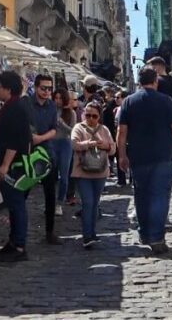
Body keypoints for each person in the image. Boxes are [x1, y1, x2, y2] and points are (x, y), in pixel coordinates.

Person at [116, 67, 172, 254]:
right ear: (156, 80)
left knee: (141, 195)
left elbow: (121, 132)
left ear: (139, 82)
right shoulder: (166, 101)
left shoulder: (129, 102)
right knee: (159, 196)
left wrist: (122, 155)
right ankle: (156, 237)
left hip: (138, 156)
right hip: (162, 155)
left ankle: (144, 233)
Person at [0, 70, 33, 263]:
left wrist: (5, 165)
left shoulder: (15, 107)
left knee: (16, 205)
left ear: (7, 88)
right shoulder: (13, 106)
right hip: (12, 163)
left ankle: (19, 245)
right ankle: (13, 242)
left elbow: (14, 140)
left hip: (13, 165)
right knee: (13, 205)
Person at [22, 74, 61, 245]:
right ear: (36, 88)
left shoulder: (52, 106)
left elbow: (54, 129)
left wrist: (41, 138)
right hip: (28, 154)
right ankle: (17, 234)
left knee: (50, 194)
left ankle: (50, 232)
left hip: (47, 153)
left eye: (49, 89)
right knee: (22, 194)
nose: (47, 92)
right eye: (44, 88)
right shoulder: (26, 103)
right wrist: (31, 137)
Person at [71, 101, 115, 247]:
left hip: (100, 172)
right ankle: (87, 236)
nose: (90, 118)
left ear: (99, 116)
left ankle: (92, 233)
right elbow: (74, 144)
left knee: (95, 204)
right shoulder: (78, 127)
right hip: (82, 172)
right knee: (88, 203)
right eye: (87, 115)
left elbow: (113, 148)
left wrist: (106, 145)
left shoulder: (104, 129)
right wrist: (89, 144)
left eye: (94, 116)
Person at [52, 87, 76, 217]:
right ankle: (50, 202)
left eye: (60, 98)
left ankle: (59, 203)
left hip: (65, 144)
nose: (58, 101)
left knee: (64, 176)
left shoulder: (70, 113)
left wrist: (62, 123)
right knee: (50, 174)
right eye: (56, 98)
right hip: (52, 143)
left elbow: (73, 131)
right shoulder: (50, 110)